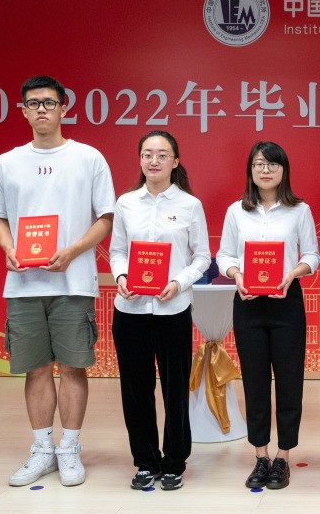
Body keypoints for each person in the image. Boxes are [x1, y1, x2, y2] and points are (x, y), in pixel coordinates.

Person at [0, 75, 116, 487]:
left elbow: (105, 218)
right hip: (24, 285)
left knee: (73, 368)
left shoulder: (88, 158)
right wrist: (9, 248)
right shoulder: (7, 162)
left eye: (49, 102)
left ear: (63, 108)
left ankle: (69, 448)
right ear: (23, 111)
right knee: (36, 370)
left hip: (73, 283)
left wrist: (73, 251)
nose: (42, 109)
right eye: (34, 103)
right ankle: (42, 449)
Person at [109, 130, 209, 491]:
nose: (154, 161)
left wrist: (179, 283)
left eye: (162, 155)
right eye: (147, 154)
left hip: (172, 310)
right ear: (140, 160)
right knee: (135, 390)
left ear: (175, 161)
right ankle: (145, 461)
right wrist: (121, 275)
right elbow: (117, 251)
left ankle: (175, 461)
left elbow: (202, 257)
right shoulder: (126, 203)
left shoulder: (189, 205)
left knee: (175, 389)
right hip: (130, 310)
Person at [216, 141, 320, 490]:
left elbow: (312, 255)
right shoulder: (236, 211)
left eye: (273, 164)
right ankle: (261, 456)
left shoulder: (299, 210)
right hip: (248, 303)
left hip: (286, 303)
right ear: (250, 169)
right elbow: (224, 255)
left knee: (290, 382)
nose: (265, 170)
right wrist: (236, 274)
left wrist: (293, 273)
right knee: (255, 381)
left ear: (283, 170)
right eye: (259, 164)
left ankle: (283, 456)